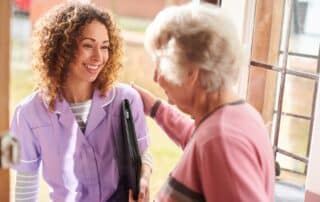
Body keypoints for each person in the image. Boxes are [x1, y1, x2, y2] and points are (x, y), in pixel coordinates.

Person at [132, 2, 275, 202]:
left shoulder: (221, 140)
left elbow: (213, 144)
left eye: (160, 64)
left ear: (191, 72)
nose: (156, 78)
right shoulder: (237, 116)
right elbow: (197, 137)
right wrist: (154, 107)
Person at [10, 2, 152, 202]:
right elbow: (26, 184)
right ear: (63, 48)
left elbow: (143, 154)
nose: (98, 57)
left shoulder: (126, 100)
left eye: (104, 47)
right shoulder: (29, 113)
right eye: (88, 45)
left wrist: (144, 178)